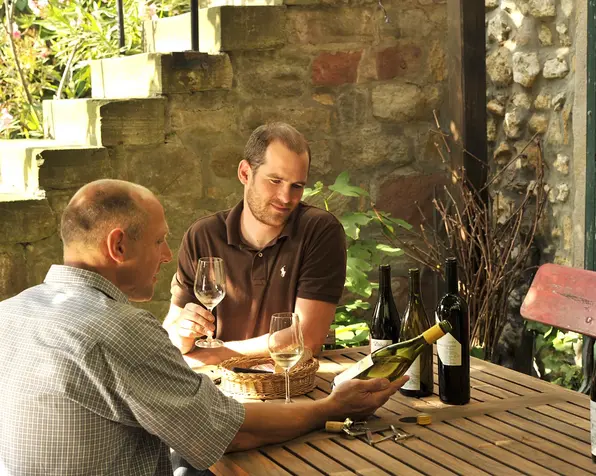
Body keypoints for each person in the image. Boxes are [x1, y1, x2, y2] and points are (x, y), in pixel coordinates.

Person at [0, 179, 406, 475]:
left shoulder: (10, 313)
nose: (165, 256)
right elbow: (228, 432)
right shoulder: (119, 328)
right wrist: (332, 407)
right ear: (119, 246)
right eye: (159, 241)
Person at [164, 123, 347, 364]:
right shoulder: (203, 235)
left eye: (297, 186)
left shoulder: (319, 231)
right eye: (275, 181)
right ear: (245, 173)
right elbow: (171, 334)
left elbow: (306, 338)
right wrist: (182, 334)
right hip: (216, 387)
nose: (286, 197)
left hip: (288, 386)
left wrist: (210, 355)